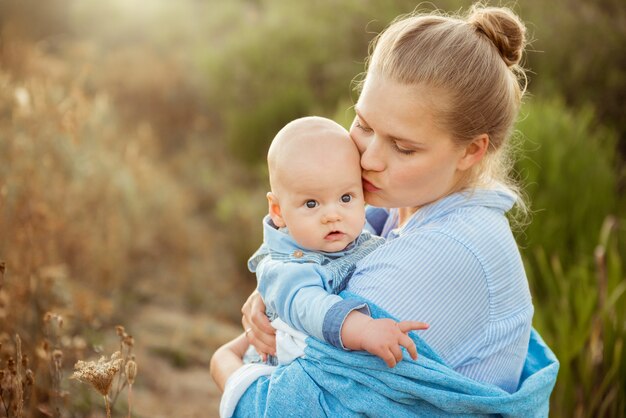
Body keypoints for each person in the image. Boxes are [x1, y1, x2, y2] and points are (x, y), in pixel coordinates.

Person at [218, 3, 559, 416]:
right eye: (363, 124)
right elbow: (306, 264)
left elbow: (295, 408)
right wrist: (276, 288)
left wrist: (227, 367)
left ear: (471, 151)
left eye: (403, 147)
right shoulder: (392, 210)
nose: (368, 159)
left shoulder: (447, 251)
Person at [210, 117, 429, 415]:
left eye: (346, 197)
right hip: (277, 377)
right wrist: (365, 330)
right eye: (312, 204)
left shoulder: (348, 234)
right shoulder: (286, 269)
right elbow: (311, 306)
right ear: (278, 211)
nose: (332, 215)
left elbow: (383, 231)